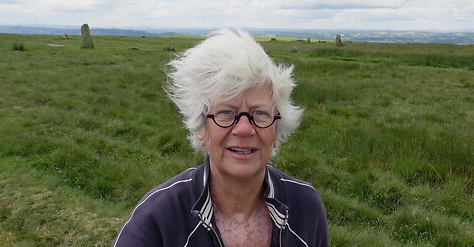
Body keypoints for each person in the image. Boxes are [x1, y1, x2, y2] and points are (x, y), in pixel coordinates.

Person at [112, 29, 328, 247]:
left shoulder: (306, 208)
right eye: (227, 112)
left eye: (260, 113)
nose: (244, 129)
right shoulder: (157, 219)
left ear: (276, 129)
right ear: (201, 128)